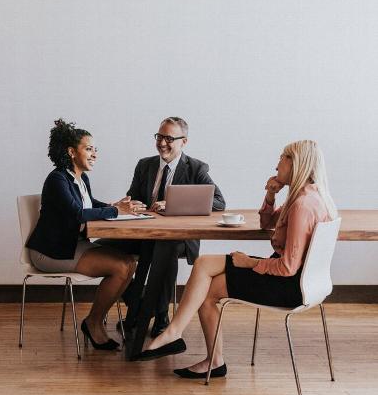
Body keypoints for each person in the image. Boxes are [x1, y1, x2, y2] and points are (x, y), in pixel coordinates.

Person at [139, 140, 338, 379]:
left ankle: (210, 358)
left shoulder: (302, 206)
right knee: (203, 264)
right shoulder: (309, 196)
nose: (276, 165)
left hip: (288, 285)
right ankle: (175, 332)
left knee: (209, 290)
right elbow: (266, 223)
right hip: (302, 280)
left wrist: (250, 263)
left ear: (297, 164)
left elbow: (287, 267)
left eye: (283, 157)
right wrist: (270, 194)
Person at [98, 117, 225, 338]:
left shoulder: (195, 168)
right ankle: (139, 306)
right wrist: (130, 204)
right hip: (144, 233)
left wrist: (174, 204)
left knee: (166, 250)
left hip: (179, 238)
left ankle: (160, 316)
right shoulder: (144, 165)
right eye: (159, 136)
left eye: (169, 138)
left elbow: (219, 203)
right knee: (100, 247)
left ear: (183, 141)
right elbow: (134, 197)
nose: (162, 143)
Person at [26, 119, 142, 350]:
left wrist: (114, 205)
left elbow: (89, 204)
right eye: (88, 148)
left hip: (72, 245)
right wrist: (115, 210)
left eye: (94, 149)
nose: (94, 154)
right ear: (71, 151)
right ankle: (93, 323)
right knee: (120, 267)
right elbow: (78, 214)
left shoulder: (80, 178)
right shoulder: (57, 179)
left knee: (129, 262)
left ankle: (112, 318)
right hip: (51, 252)